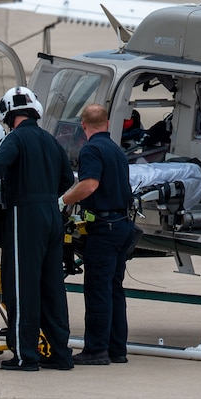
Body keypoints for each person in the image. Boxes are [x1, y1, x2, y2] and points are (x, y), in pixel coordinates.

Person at [0, 87, 74, 372]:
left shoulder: (16, 139)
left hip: (25, 215)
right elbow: (66, 178)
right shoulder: (50, 140)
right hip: (52, 213)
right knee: (52, 287)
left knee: (21, 286)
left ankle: (25, 356)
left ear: (7, 114)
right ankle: (61, 353)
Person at [60, 103, 136, 366]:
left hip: (105, 229)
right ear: (106, 123)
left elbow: (90, 184)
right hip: (122, 225)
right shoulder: (116, 150)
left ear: (83, 125)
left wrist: (63, 200)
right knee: (114, 288)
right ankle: (117, 349)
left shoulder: (91, 149)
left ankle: (96, 350)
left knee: (97, 289)